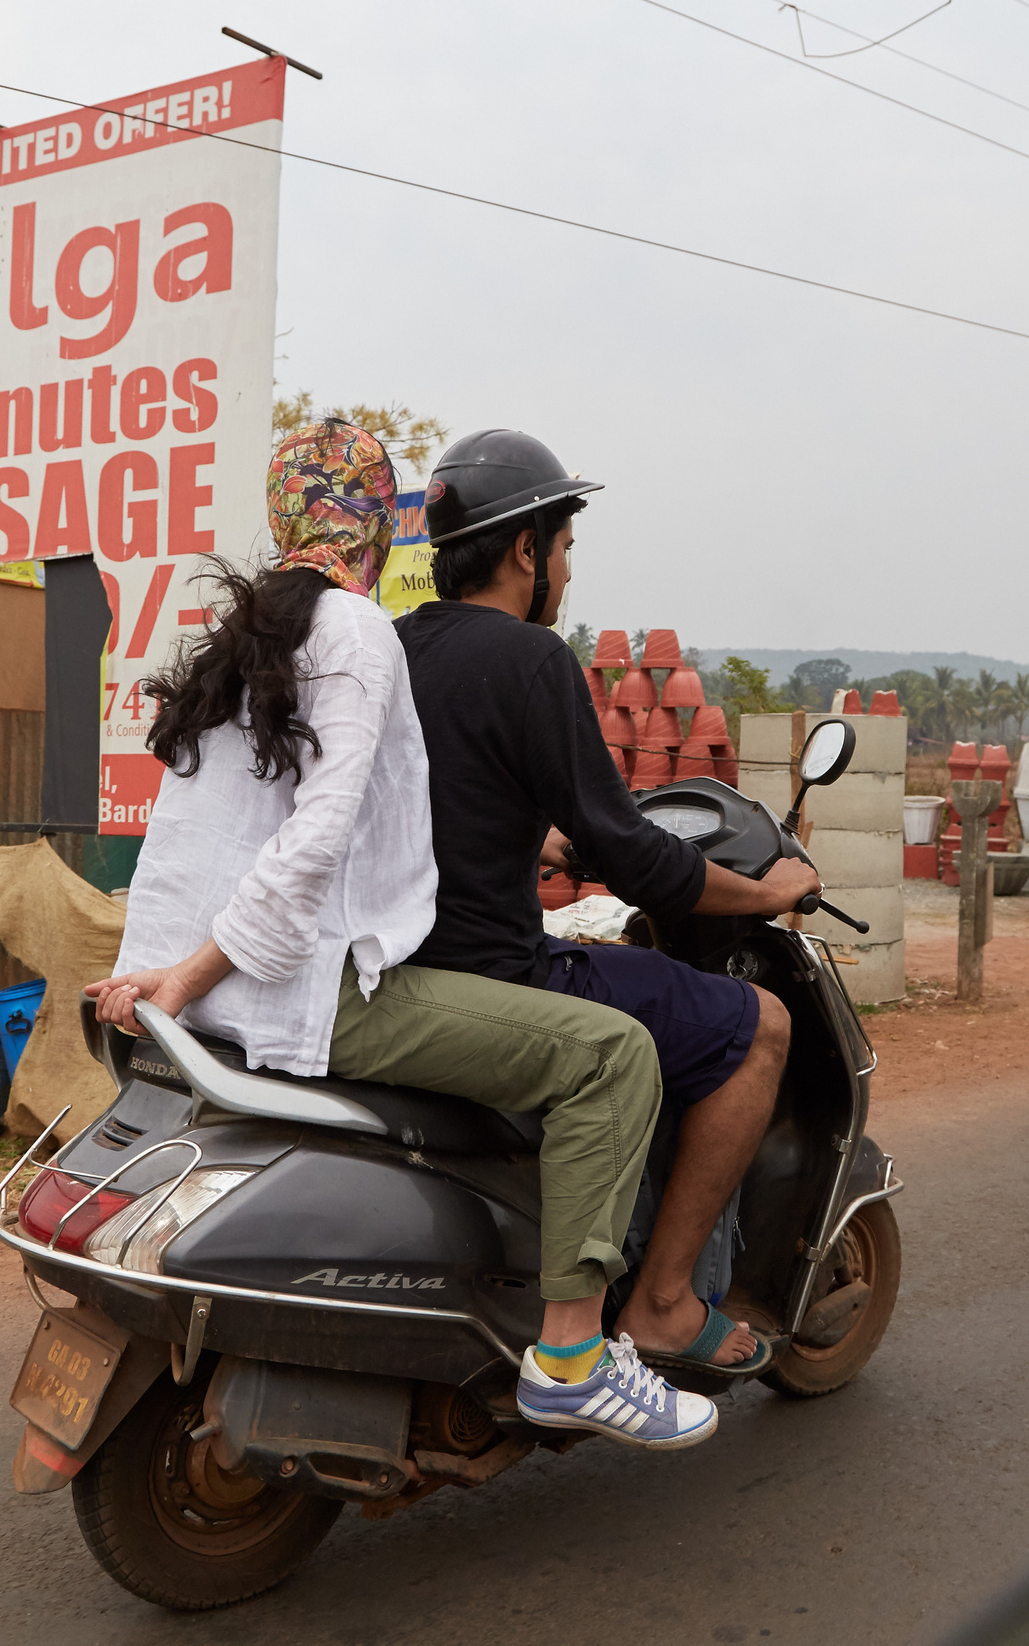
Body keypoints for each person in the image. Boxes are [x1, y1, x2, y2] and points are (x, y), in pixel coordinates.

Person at [83, 419, 718, 1449]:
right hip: (314, 994)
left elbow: (189, 839)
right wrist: (191, 972)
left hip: (224, 993)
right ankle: (570, 1357)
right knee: (611, 1055)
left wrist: (164, 973)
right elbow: (316, 837)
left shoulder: (240, 636)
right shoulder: (356, 630)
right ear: (386, 525)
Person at [395, 428, 821, 1375]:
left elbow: (440, 794)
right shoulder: (532, 659)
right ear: (523, 551)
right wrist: (765, 888)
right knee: (758, 1026)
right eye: (567, 547)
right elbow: (637, 858)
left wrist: (531, 833)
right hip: (498, 976)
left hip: (407, 974)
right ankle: (665, 1303)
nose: (568, 570)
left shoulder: (396, 649)